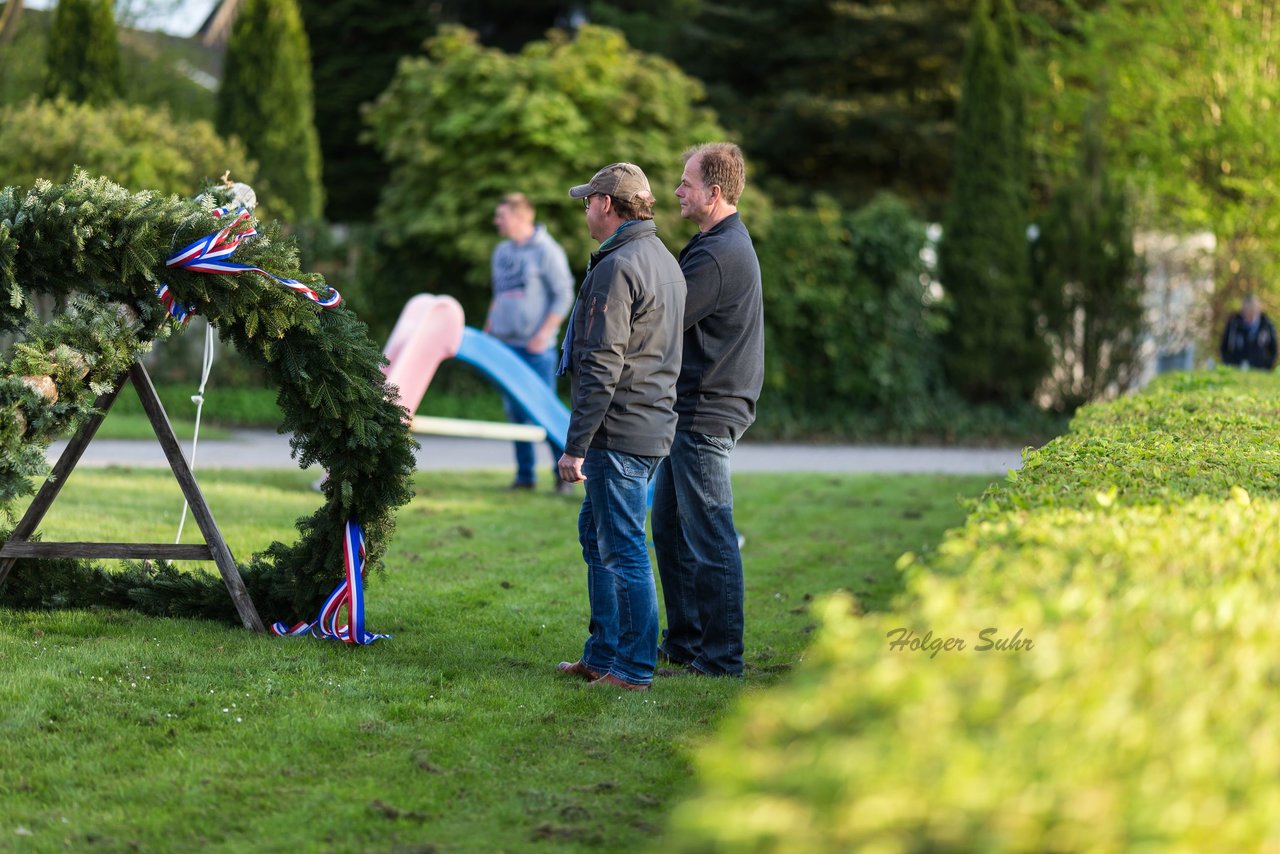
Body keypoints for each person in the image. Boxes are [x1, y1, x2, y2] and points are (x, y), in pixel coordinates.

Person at [554, 163, 686, 692]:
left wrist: (575, 446)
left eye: (588, 201)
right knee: (599, 537)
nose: (584, 209)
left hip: (620, 431)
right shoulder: (662, 259)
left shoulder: (617, 265)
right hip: (649, 425)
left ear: (608, 204)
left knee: (624, 547)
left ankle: (631, 670)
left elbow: (601, 362)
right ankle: (602, 654)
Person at [653, 142, 764, 678]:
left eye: (686, 183)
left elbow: (663, 319)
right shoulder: (716, 244)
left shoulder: (718, 253)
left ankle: (722, 659)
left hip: (704, 413)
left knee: (710, 534)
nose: (676, 192)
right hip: (692, 410)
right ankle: (684, 641)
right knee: (671, 530)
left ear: (714, 193)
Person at [484, 193, 575, 492]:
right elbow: (499, 295)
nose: (497, 221)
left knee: (544, 413)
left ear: (521, 217)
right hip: (505, 347)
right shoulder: (501, 252)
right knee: (515, 413)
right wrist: (488, 330)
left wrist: (543, 334)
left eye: (502, 216)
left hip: (537, 349)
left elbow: (563, 296)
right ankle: (525, 477)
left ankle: (562, 477)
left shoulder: (547, 251)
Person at [1220, 294, 1277, 370]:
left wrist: (1267, 366)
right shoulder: (1234, 324)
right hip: (1237, 369)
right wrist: (1229, 364)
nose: (1250, 318)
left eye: (1253, 313)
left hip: (1260, 371)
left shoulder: (1266, 325)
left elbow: (1273, 350)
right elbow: (1224, 347)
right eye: (1247, 313)